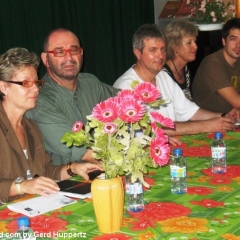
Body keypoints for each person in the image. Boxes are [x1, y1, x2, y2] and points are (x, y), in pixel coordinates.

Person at [0, 48, 103, 204]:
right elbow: (27, 184)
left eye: (36, 82)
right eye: (26, 83)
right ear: (4, 87)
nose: (35, 89)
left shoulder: (31, 128)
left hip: (31, 207)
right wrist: (21, 186)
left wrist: (73, 168)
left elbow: (46, 171)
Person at [113, 24, 238, 137]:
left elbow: (191, 111)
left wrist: (223, 117)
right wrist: (206, 126)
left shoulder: (163, 76)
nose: (160, 55)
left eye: (162, 49)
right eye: (153, 50)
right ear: (138, 53)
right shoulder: (125, 86)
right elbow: (147, 129)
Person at [25, 28, 119, 165]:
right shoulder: (39, 99)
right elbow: (83, 152)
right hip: (66, 181)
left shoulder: (90, 82)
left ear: (81, 54)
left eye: (74, 50)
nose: (69, 58)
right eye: (59, 52)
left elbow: (127, 101)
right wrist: (133, 153)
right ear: (45, 59)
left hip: (105, 171)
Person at [192, 18, 240, 113]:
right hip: (206, 123)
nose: (238, 45)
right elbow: (237, 102)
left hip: (229, 120)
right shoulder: (212, 63)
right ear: (224, 41)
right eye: (233, 39)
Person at [163, 19, 198, 100]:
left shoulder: (185, 69)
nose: (195, 46)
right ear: (174, 46)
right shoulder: (163, 74)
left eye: (195, 41)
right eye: (189, 43)